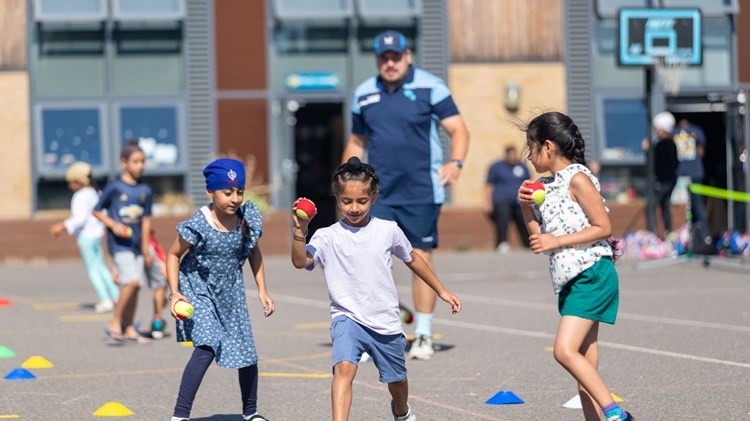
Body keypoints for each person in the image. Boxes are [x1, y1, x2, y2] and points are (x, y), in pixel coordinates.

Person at [290, 157, 461, 421]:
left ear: (374, 197)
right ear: (337, 198)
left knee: (398, 381)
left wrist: (441, 290)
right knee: (343, 369)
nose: (354, 207)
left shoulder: (388, 230)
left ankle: (401, 410)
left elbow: (414, 258)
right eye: (347, 201)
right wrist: (300, 232)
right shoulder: (327, 235)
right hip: (347, 317)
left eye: (362, 201)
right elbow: (301, 262)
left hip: (385, 321)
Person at [342, 30, 469, 360]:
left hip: (421, 191)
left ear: (407, 55)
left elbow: (458, 129)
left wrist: (456, 163)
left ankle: (423, 334)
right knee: (370, 261)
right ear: (377, 61)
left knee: (419, 259)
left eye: (395, 56)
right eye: (384, 57)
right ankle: (374, 335)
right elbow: (357, 143)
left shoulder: (431, 87)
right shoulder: (364, 94)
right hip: (378, 193)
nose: (390, 62)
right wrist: (345, 185)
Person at [517, 112, 634, 421]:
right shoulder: (544, 186)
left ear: (548, 147)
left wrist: (557, 241)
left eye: (531, 147)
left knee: (564, 351)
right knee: (584, 368)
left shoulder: (577, 178)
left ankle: (616, 414)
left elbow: (603, 226)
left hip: (592, 273)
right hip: (571, 280)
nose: (529, 155)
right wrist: (526, 208)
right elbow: (538, 238)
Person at [165, 158, 274, 421]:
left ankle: (251, 412)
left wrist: (263, 290)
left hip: (231, 295)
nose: (234, 198)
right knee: (206, 345)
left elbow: (254, 254)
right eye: (227, 192)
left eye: (239, 192)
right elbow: (171, 255)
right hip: (198, 291)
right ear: (210, 192)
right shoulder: (199, 223)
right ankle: (180, 415)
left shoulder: (246, 219)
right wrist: (174, 292)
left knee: (247, 352)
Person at [93, 139, 153, 343]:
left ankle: (129, 328)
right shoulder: (115, 187)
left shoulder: (145, 190)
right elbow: (96, 210)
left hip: (137, 245)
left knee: (136, 286)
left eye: (143, 161)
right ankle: (114, 323)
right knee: (131, 282)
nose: (140, 166)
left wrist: (145, 248)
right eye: (136, 161)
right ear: (123, 163)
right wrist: (112, 224)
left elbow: (146, 220)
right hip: (119, 245)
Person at [50, 161, 119, 313]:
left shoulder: (80, 196)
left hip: (86, 236)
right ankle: (115, 296)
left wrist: (61, 226)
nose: (69, 185)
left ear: (78, 181)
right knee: (100, 266)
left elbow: (79, 218)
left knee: (93, 269)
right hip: (97, 234)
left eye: (71, 182)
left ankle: (105, 298)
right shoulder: (95, 192)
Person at [484, 146, 531, 253]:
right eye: (511, 154)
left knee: (524, 221)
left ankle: (528, 244)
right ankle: (502, 243)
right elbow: (489, 185)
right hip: (502, 200)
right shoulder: (496, 167)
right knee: (502, 221)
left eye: (515, 154)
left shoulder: (522, 166)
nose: (513, 157)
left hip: (519, 202)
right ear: (506, 155)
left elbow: (528, 182)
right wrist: (488, 202)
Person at [642, 112, 679, 236]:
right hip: (669, 181)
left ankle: (653, 233)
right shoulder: (671, 144)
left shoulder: (663, 144)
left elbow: (654, 163)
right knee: (664, 206)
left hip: (663, 182)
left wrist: (647, 151)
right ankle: (669, 232)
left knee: (651, 206)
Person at [673, 117, 708, 227]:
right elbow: (701, 152)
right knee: (697, 204)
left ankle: (685, 231)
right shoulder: (697, 130)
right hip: (694, 173)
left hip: (681, 174)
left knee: (680, 206)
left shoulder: (673, 133)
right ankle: (704, 232)